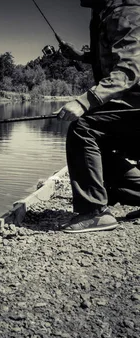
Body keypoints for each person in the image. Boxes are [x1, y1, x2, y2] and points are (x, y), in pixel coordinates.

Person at [56, 0, 140, 233]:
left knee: (83, 127)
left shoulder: (127, 12)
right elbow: (116, 54)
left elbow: (128, 70)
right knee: (96, 142)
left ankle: (94, 213)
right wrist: (81, 56)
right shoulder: (110, 13)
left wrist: (84, 102)